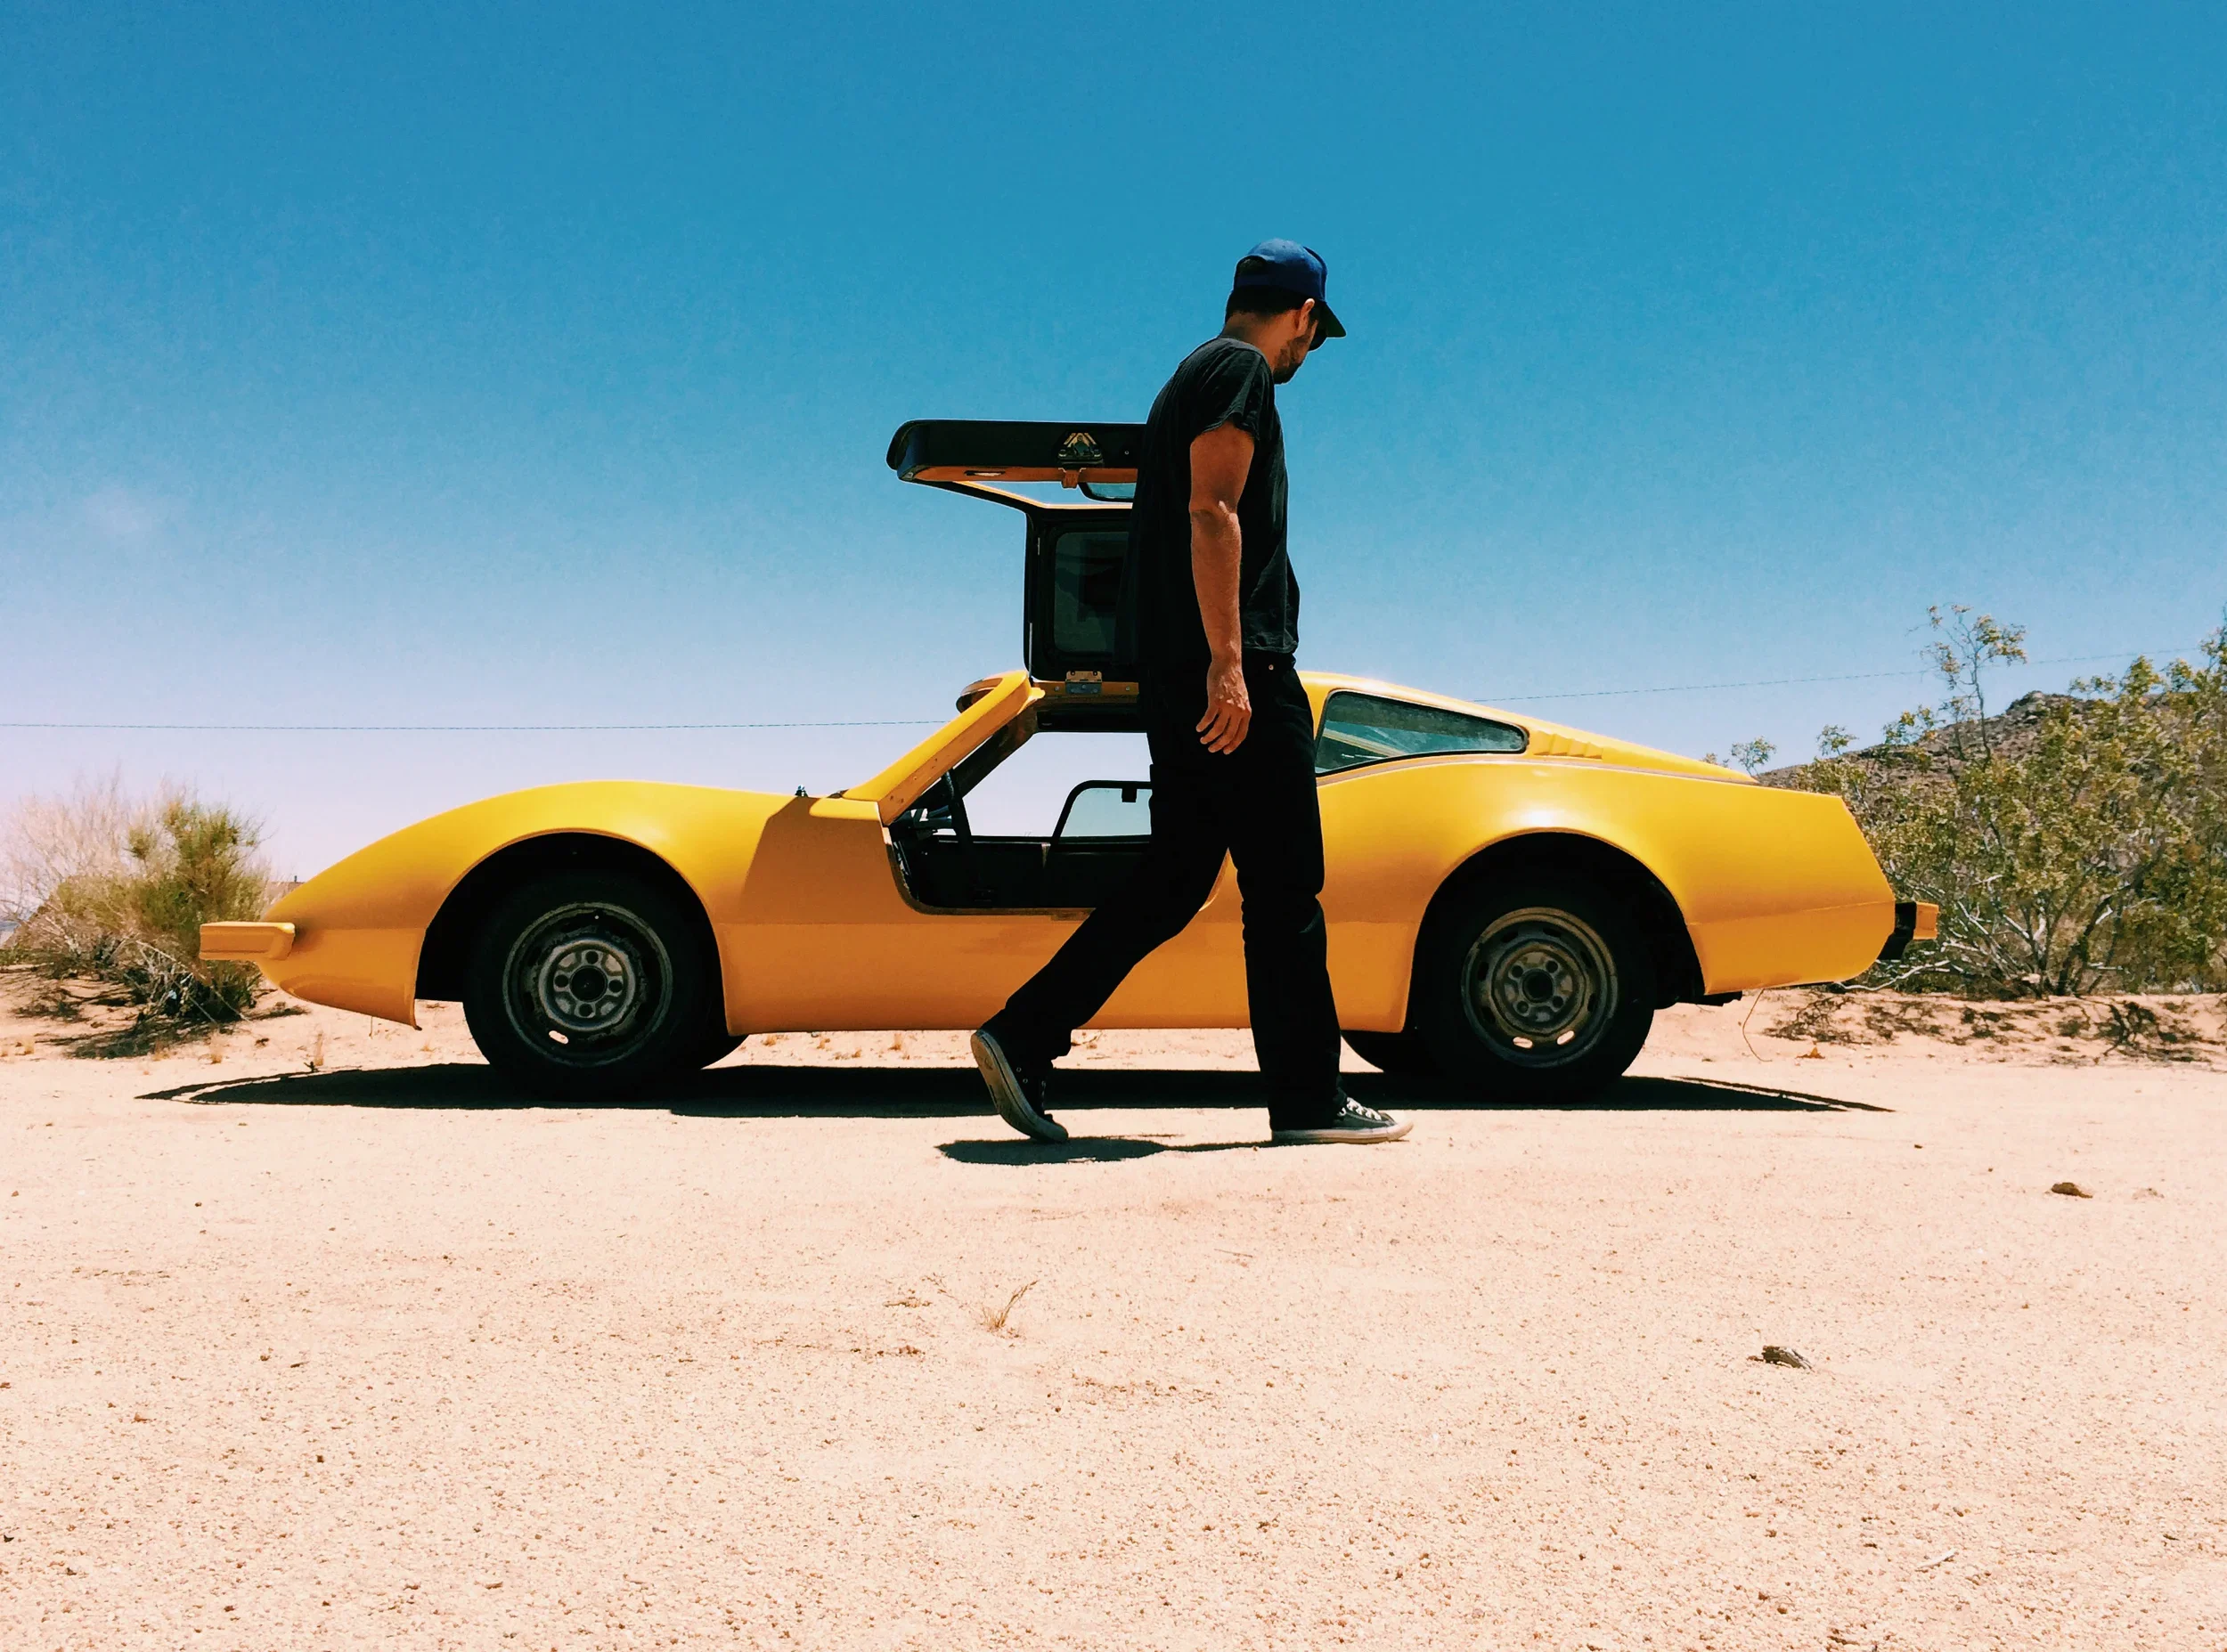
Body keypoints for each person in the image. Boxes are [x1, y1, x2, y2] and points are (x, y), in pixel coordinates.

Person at [970, 240, 1410, 1147]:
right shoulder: (1239, 371)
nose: (1306, 357)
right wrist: (1230, 662)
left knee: (1173, 880)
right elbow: (1211, 510)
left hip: (1181, 674)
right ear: (1300, 314)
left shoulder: (1186, 378)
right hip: (1231, 671)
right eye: (1313, 339)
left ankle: (1022, 1033)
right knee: (1286, 887)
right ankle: (1309, 1101)